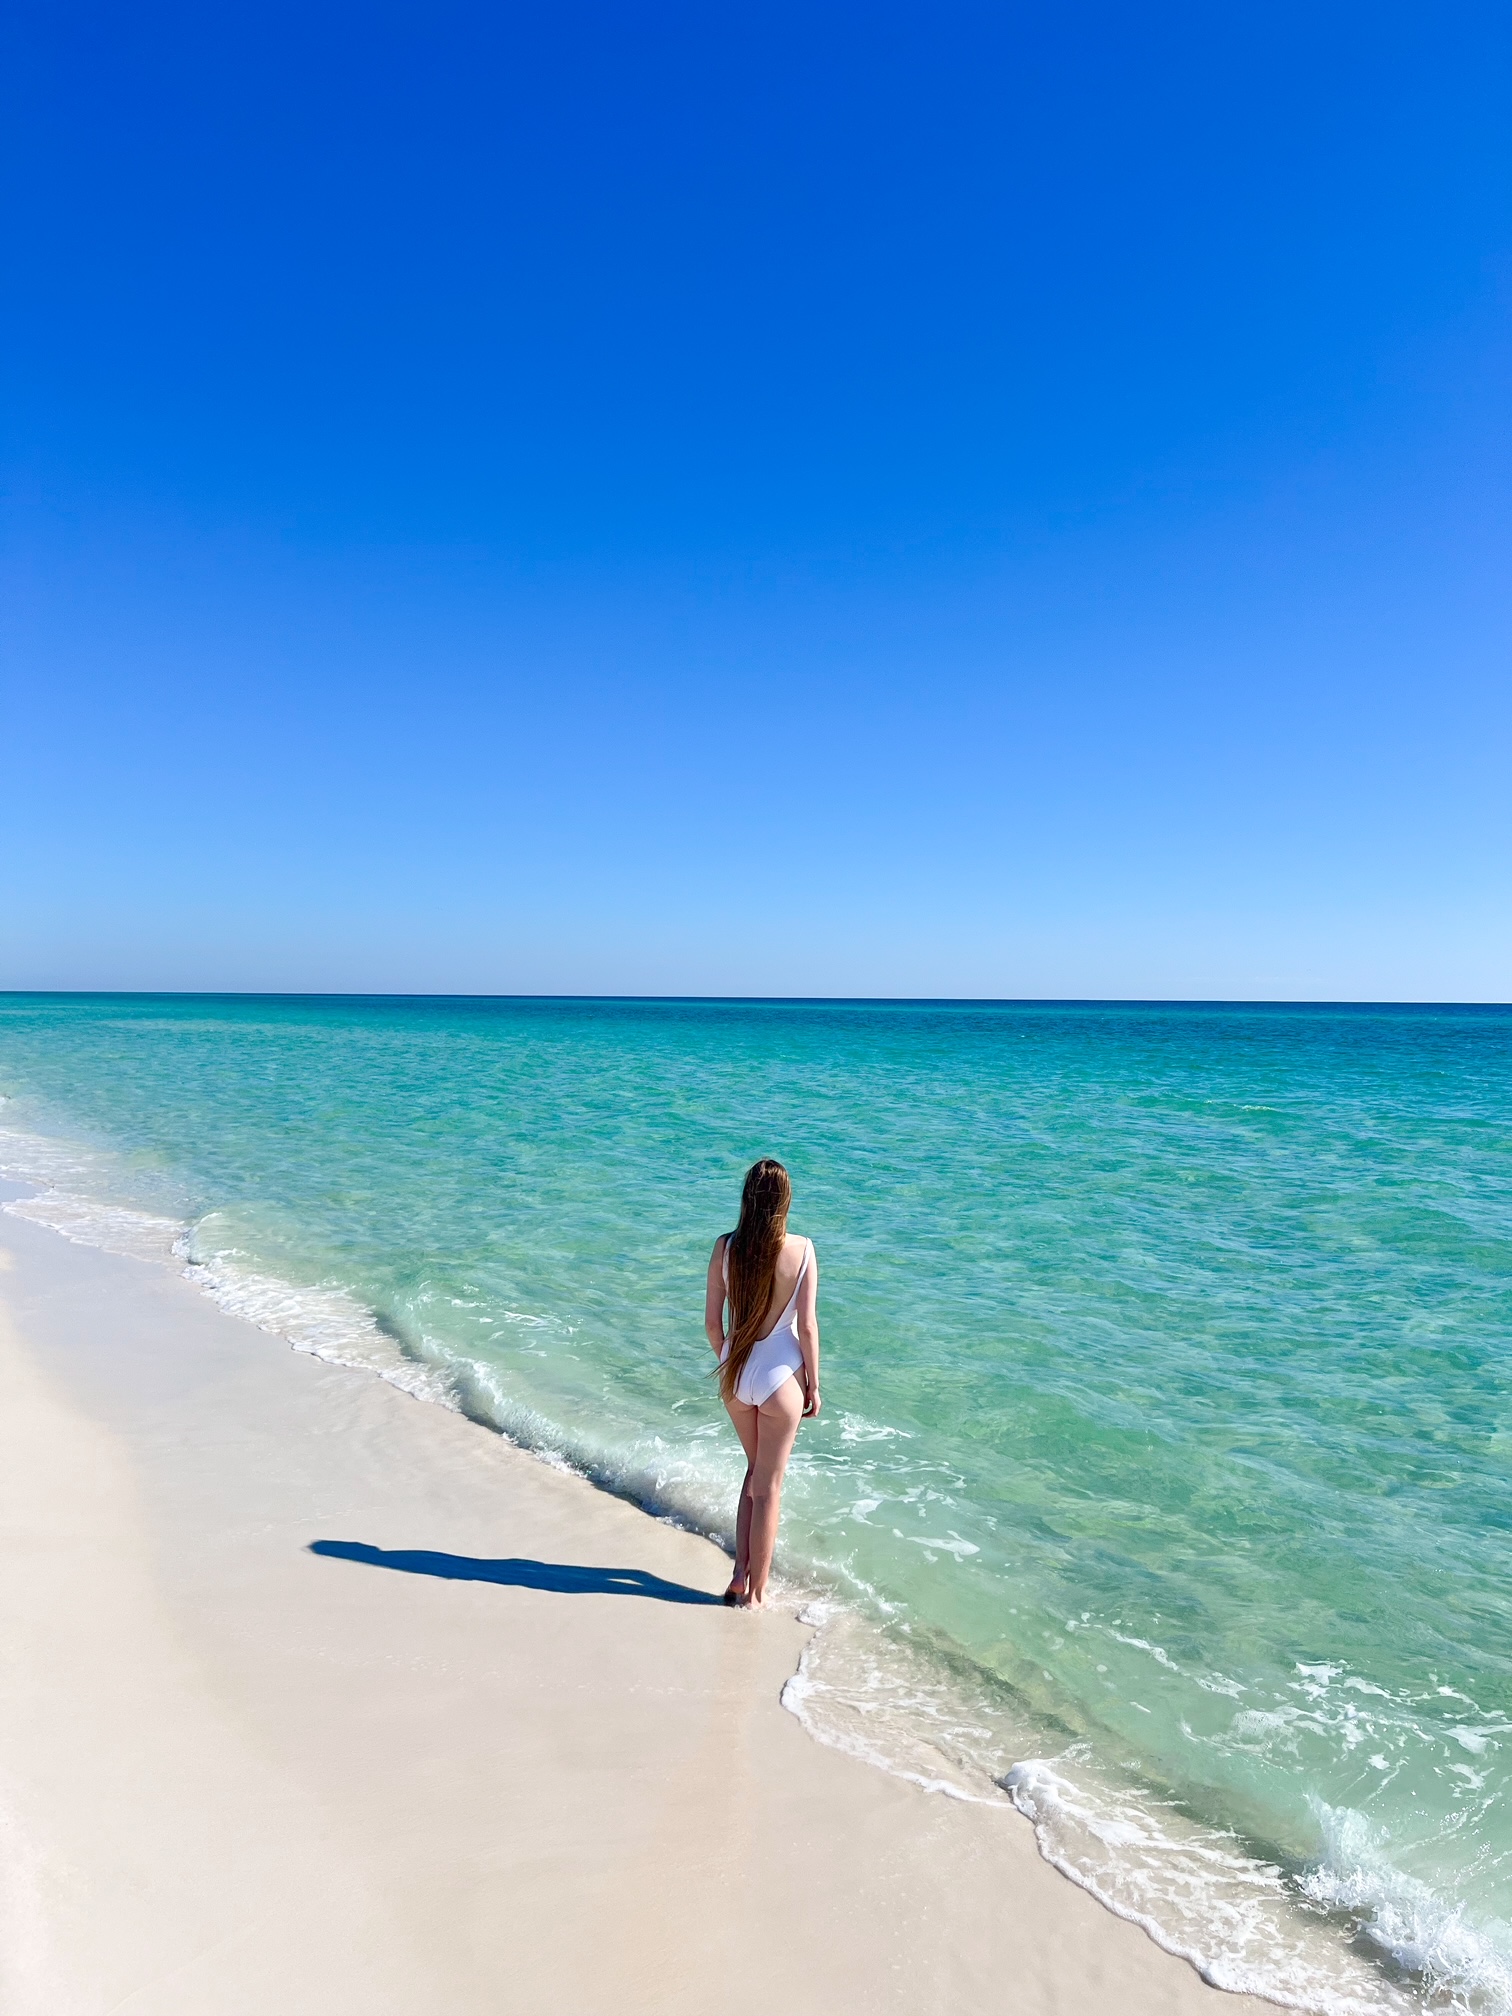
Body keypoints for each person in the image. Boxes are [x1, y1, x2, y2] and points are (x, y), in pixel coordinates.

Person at [705, 1158, 820, 1608]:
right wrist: (813, 1383)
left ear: (747, 1197)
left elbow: (714, 1325)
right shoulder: (803, 1250)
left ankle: (738, 1573)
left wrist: (732, 1363)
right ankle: (756, 1593)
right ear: (785, 1200)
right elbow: (807, 1327)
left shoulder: (725, 1247)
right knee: (769, 1484)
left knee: (753, 1472)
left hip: (737, 1374)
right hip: (779, 1378)